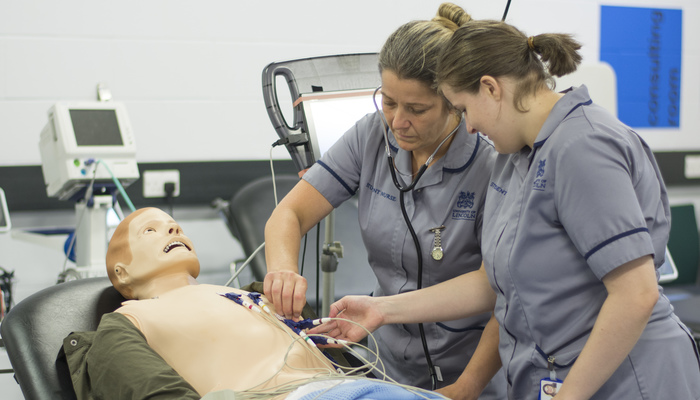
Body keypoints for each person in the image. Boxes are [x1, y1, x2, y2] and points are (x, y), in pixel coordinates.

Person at [313, 19, 700, 400]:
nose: (467, 128)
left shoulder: (584, 147)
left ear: (491, 88)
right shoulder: (516, 156)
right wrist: (382, 310)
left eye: (464, 110)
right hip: (553, 376)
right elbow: (492, 282)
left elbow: (635, 294)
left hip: (624, 379)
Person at [263, 4, 505, 397]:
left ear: (455, 103)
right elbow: (288, 214)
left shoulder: (493, 164)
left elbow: (500, 289)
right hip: (383, 364)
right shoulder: (371, 136)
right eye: (388, 101)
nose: (396, 122)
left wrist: (466, 388)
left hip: (472, 373)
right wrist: (283, 272)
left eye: (416, 109)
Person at [62, 207, 449, 400]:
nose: (173, 229)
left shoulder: (253, 295)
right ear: (122, 272)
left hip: (359, 388)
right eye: (152, 230)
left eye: (174, 225)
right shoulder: (128, 323)